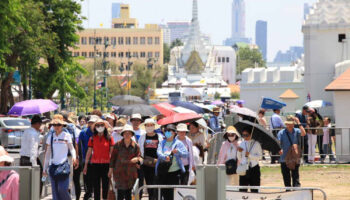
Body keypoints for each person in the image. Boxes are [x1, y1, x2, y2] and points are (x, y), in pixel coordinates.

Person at [43, 118, 77, 200]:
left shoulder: (66, 135)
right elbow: (47, 154)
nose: (56, 127)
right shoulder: (50, 137)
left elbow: (72, 148)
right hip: (53, 166)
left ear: (62, 125)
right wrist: (44, 169)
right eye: (54, 125)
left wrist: (74, 157)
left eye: (58, 125)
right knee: (55, 192)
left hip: (64, 166)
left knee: (62, 189)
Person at [83, 119, 114, 200]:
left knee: (105, 185)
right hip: (95, 164)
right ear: (95, 127)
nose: (100, 127)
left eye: (102, 125)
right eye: (98, 125)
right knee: (96, 185)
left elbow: (112, 153)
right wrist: (85, 165)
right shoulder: (92, 138)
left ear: (105, 127)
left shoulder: (110, 138)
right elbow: (89, 152)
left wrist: (112, 166)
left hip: (106, 164)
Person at [109, 124, 142, 200]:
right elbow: (112, 158)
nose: (127, 135)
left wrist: (137, 159)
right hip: (119, 172)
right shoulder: (117, 145)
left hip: (131, 173)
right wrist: (110, 170)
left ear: (132, 134)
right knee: (120, 193)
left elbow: (139, 157)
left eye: (129, 133)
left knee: (129, 193)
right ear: (123, 134)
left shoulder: (136, 146)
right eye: (125, 133)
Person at [156, 124, 188, 200]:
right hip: (163, 171)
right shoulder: (162, 142)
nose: (168, 133)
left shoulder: (178, 143)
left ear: (174, 133)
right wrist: (164, 157)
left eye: (171, 132)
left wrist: (178, 151)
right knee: (163, 193)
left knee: (172, 194)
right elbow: (158, 152)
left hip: (174, 172)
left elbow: (186, 154)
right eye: (167, 131)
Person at [138, 118, 163, 200]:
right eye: (147, 125)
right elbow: (139, 150)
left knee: (156, 184)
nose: (149, 127)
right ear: (145, 127)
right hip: (146, 164)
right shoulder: (142, 137)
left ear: (154, 126)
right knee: (149, 184)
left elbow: (163, 149)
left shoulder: (160, 137)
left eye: (151, 125)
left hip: (157, 164)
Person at [277, 115, 306, 188]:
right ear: (286, 124)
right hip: (284, 157)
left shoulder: (297, 131)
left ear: (294, 123)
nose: (289, 125)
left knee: (295, 175)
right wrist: (279, 149)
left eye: (291, 123)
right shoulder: (281, 132)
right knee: (286, 176)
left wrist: (298, 122)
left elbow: (303, 133)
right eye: (288, 123)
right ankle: (288, 189)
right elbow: (278, 143)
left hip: (294, 157)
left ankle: (296, 189)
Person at [19, 115, 43, 196]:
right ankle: (36, 196)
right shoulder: (34, 133)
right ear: (37, 124)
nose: (40, 126)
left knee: (24, 182)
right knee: (37, 181)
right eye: (40, 124)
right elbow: (33, 149)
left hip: (22, 159)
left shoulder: (26, 131)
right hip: (31, 160)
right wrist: (35, 165)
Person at [78, 115, 98, 200]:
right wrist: (80, 158)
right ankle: (88, 194)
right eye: (90, 122)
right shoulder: (83, 132)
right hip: (85, 159)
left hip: (97, 160)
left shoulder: (100, 132)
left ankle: (91, 194)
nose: (91, 124)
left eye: (93, 122)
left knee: (95, 179)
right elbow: (79, 145)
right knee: (87, 179)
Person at [237, 128, 262, 193]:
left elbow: (260, 157)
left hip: (254, 167)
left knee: (254, 189)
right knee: (242, 189)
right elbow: (239, 158)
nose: (245, 137)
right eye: (243, 135)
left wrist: (250, 155)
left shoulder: (256, 144)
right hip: (244, 167)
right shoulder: (242, 143)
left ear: (251, 134)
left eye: (247, 135)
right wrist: (239, 152)